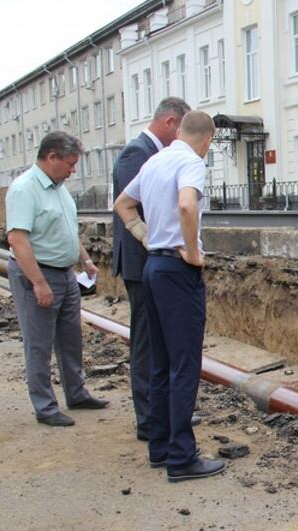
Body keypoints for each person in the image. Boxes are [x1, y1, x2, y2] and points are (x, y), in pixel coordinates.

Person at [113, 111, 224, 482]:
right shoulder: (191, 162)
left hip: (153, 268)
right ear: (207, 139)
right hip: (178, 271)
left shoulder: (154, 161)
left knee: (160, 363)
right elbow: (187, 205)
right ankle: (182, 457)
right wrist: (192, 252)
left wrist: (145, 236)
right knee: (184, 364)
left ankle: (159, 448)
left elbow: (122, 205)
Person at [5, 131, 109, 427]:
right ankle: (45, 406)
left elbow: (67, 229)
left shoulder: (59, 188)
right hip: (38, 274)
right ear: (52, 157)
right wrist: (38, 282)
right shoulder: (25, 189)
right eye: (70, 163)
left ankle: (76, 393)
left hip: (65, 273)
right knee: (39, 344)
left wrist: (86, 260)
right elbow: (18, 239)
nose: (73, 170)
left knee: (70, 339)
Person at [112, 97, 191, 441]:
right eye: (184, 129)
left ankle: (164, 414)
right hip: (144, 262)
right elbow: (134, 209)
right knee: (146, 342)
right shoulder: (137, 153)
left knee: (160, 341)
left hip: (154, 262)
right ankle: (149, 419)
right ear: (172, 122)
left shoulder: (153, 153)